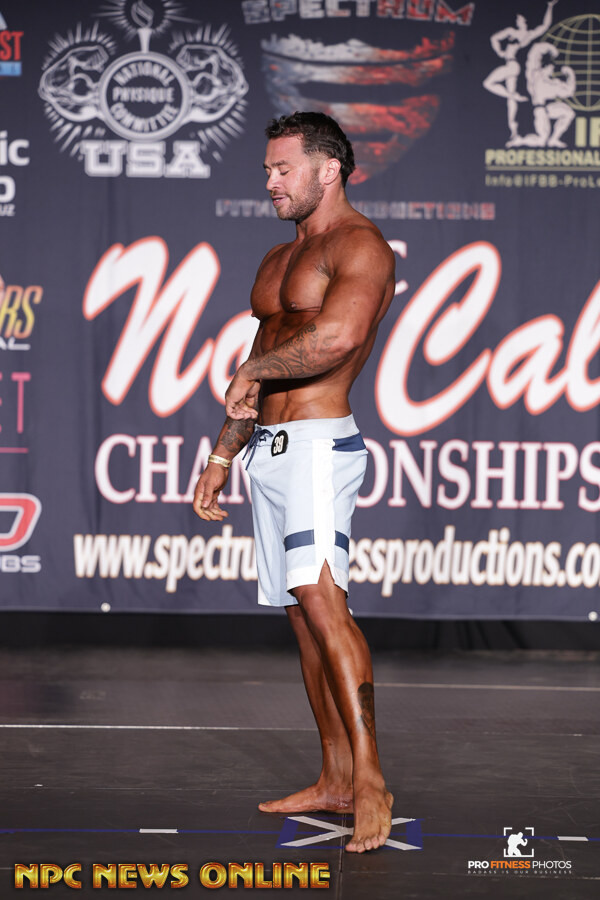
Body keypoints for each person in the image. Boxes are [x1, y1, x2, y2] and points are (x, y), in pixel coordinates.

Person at [193, 111, 396, 853]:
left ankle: (371, 781)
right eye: (268, 171)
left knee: (323, 600)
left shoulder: (361, 245)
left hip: (316, 445)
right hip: (268, 450)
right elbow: (264, 359)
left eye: (284, 169)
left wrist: (251, 370)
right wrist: (223, 455)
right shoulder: (280, 257)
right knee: (300, 617)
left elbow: (338, 336)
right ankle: (335, 777)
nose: (271, 182)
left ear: (329, 169)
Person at [483, 0, 558, 145]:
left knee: (488, 83)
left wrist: (550, 7)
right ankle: (514, 132)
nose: (518, 21)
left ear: (524, 20)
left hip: (512, 65)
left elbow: (544, 26)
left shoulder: (520, 33)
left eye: (520, 19)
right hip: (512, 65)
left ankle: (513, 96)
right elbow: (494, 38)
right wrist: (499, 51)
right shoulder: (515, 32)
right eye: (517, 19)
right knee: (510, 102)